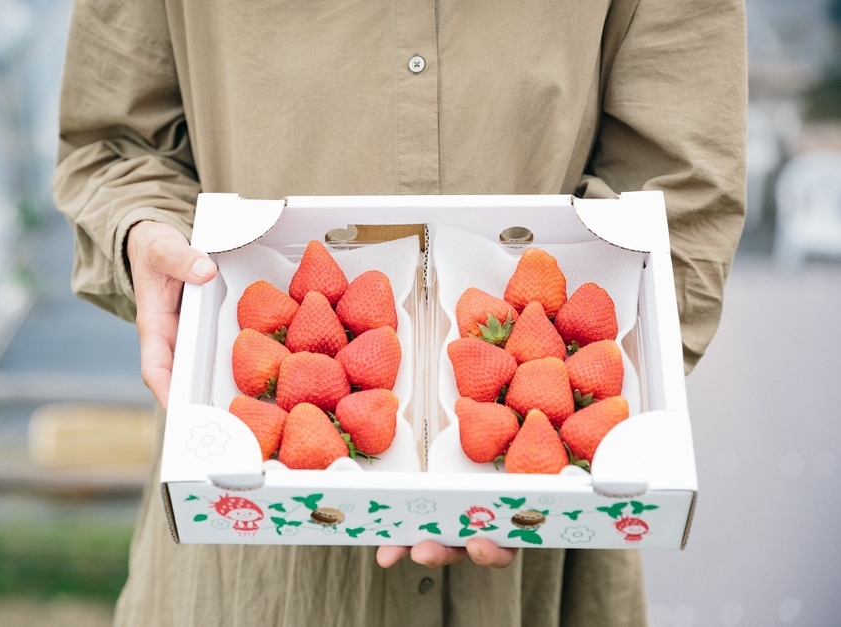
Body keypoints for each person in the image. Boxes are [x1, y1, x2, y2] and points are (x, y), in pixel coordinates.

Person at [52, 1, 747, 625]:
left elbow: (681, 182)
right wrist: (146, 232)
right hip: (248, 549)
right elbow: (115, 145)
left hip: (547, 543)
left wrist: (549, 449)